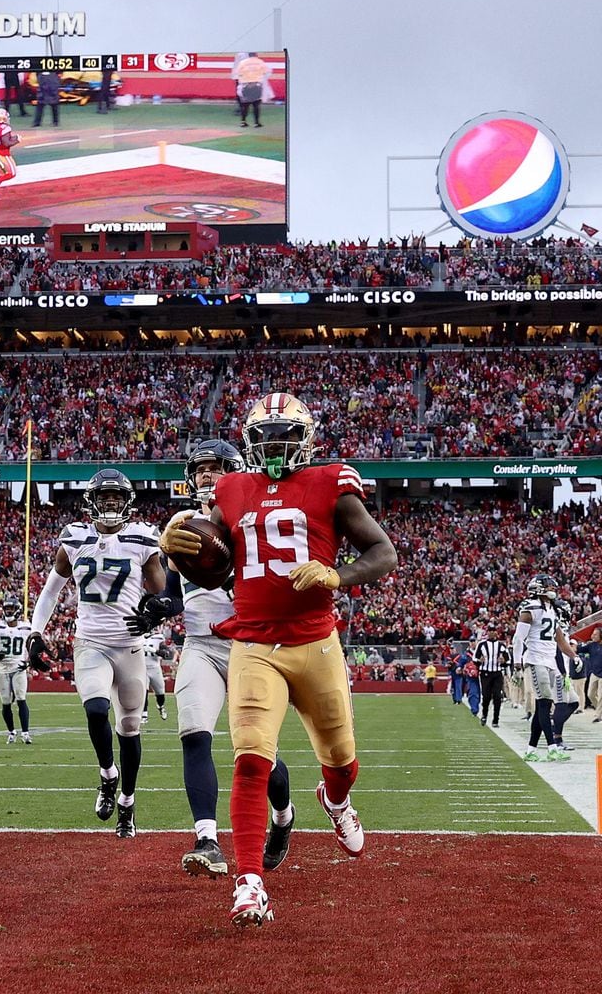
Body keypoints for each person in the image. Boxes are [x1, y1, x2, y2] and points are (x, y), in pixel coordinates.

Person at [160, 392, 398, 928]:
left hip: (315, 642)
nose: (273, 448)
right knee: (250, 758)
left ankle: (335, 803)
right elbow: (217, 567)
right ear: (249, 443)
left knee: (342, 762)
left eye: (284, 439)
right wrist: (178, 549)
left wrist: (338, 575)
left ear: (305, 440)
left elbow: (383, 553)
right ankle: (249, 884)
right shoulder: (232, 489)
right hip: (253, 643)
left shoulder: (332, 482)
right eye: (264, 439)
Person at [131, 439, 294, 880]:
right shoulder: (183, 522)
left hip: (250, 646)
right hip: (201, 644)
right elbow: (172, 590)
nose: (207, 476)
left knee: (256, 754)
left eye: (216, 467)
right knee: (194, 733)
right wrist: (158, 606)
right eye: (200, 469)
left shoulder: (257, 516)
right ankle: (207, 838)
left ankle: (283, 815)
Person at [30, 469, 168, 839]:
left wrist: (158, 576)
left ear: (128, 502)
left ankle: (127, 800)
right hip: (90, 642)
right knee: (94, 708)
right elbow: (50, 590)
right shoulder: (75, 538)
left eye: (116, 497)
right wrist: (35, 632)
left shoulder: (142, 538)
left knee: (129, 728)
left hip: (130, 646)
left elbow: (160, 588)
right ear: (92, 500)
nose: (110, 502)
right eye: (104, 496)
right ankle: (108, 774)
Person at [514, 574, 576, 761]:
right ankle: (552, 747)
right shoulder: (529, 608)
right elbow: (518, 639)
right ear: (538, 588)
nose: (552, 588)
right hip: (536, 659)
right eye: (548, 585)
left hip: (550, 661)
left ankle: (531, 750)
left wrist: (574, 656)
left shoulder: (551, 610)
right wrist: (517, 663)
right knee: (544, 703)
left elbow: (560, 639)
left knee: (544, 706)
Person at [0, 595, 46, 743]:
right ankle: (11, 732)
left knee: (21, 699)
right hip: (2, 668)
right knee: (6, 702)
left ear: (18, 610)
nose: (8, 611)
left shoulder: (26, 628)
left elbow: (31, 651)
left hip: (18, 667)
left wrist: (28, 663)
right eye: (6, 608)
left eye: (11, 608)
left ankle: (25, 733)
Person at [578, 628, 602, 721]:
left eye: (595, 634)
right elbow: (579, 649)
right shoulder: (591, 645)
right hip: (594, 673)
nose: (592, 636)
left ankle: (599, 716)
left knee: (601, 694)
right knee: (590, 694)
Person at [234, 52, 267, 127]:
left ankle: (243, 121)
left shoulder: (242, 63)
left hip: (246, 86)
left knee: (245, 105)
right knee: (256, 105)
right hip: (257, 86)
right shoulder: (260, 62)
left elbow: (238, 73)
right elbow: (266, 72)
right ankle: (256, 123)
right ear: (256, 55)